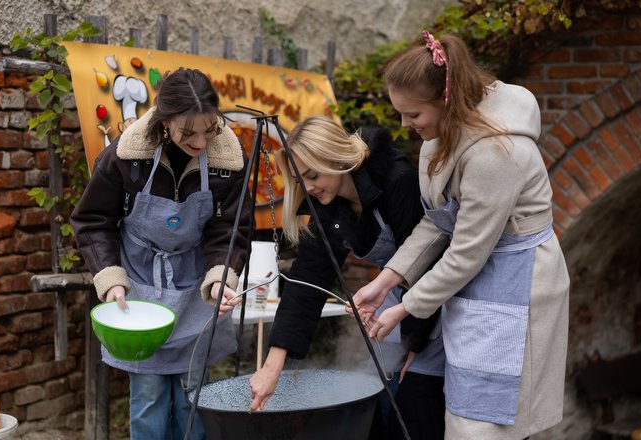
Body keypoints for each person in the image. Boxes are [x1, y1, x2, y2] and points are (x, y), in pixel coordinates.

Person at [350, 31, 570, 440]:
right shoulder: (441, 137)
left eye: (412, 114)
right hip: (478, 281)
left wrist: (403, 309)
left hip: (517, 285)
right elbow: (438, 221)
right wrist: (387, 280)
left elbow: (466, 254)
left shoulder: (495, 154)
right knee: (469, 412)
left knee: (486, 422)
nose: (404, 124)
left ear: (446, 100)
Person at [70, 67, 251, 440]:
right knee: (149, 397)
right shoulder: (125, 156)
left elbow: (229, 228)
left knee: (192, 398)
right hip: (139, 286)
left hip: (196, 288)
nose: (201, 142)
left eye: (210, 129)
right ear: (165, 122)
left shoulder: (228, 161)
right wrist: (110, 280)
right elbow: (92, 220)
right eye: (189, 133)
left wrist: (221, 276)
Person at [248, 115, 446, 439]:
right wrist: (273, 365)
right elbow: (307, 283)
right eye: (301, 179)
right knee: (377, 406)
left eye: (313, 175)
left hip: (436, 300)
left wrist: (414, 343)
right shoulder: (329, 206)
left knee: (416, 408)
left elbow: (428, 260)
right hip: (395, 304)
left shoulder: (397, 179)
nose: (308, 187)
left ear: (338, 159)